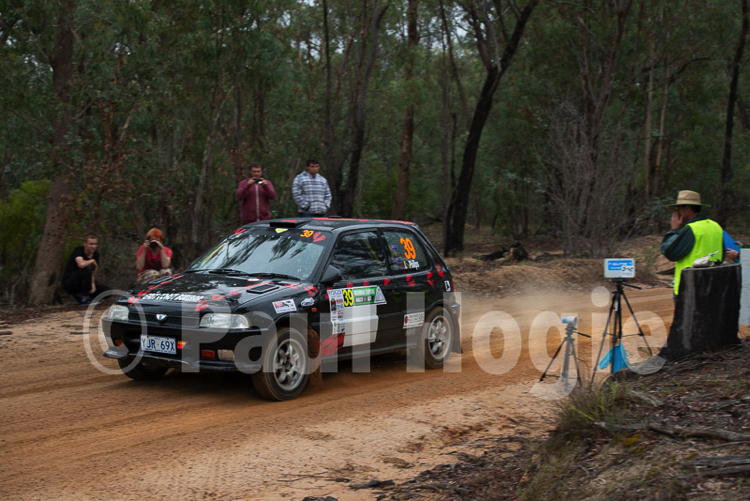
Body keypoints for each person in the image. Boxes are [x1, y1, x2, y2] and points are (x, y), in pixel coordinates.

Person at [660, 190, 724, 295]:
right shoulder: (716, 226)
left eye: (679, 208)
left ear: (688, 208)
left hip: (690, 288)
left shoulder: (692, 229)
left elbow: (670, 253)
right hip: (713, 286)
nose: (676, 212)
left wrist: (674, 229)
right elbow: (722, 255)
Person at [61, 234, 111, 304]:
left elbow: (93, 272)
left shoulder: (96, 254)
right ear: (85, 243)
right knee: (86, 269)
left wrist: (92, 285)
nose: (93, 246)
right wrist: (92, 261)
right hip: (71, 283)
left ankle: (89, 297)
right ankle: (84, 297)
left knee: (108, 291)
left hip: (85, 283)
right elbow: (81, 264)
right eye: (91, 244)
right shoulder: (78, 250)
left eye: (95, 244)